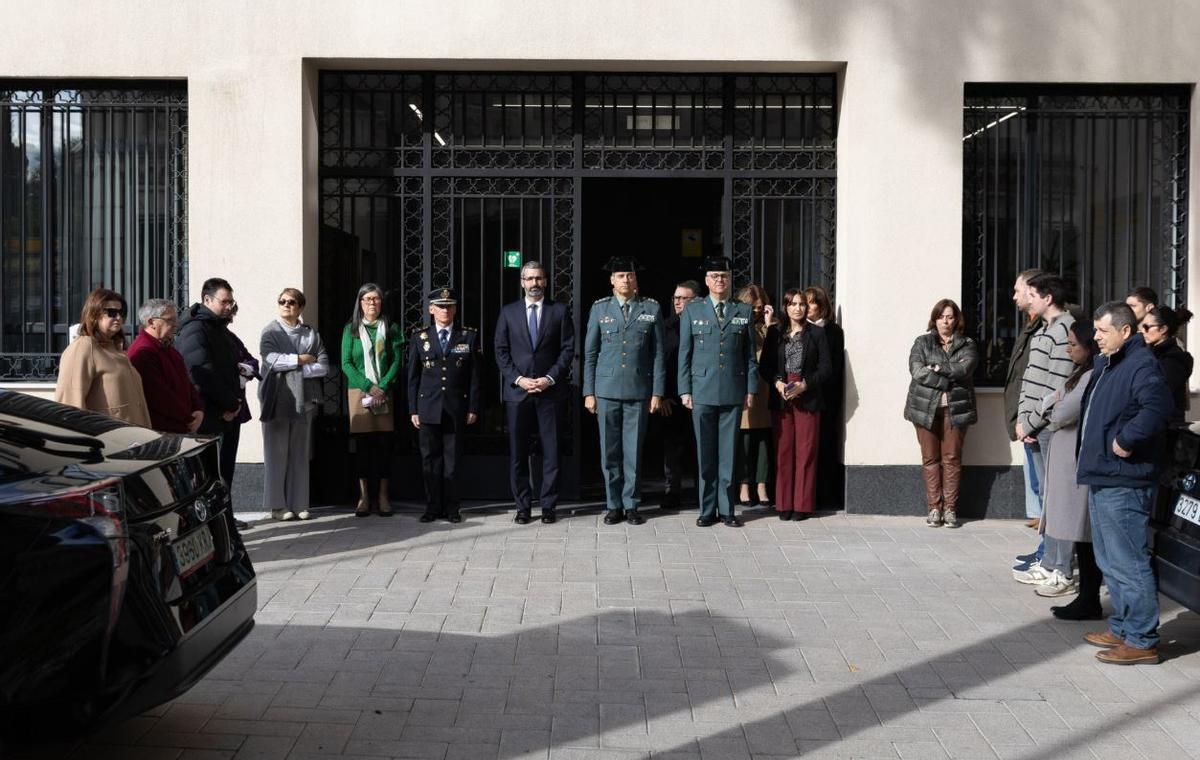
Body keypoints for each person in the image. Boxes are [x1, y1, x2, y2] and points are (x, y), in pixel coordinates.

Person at [1077, 301, 1174, 665]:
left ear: (1125, 331)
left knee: (1128, 559)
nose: (1095, 337)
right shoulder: (1109, 363)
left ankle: (1141, 638)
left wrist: (1126, 439)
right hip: (1103, 473)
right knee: (1108, 557)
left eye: (1102, 331)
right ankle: (1122, 626)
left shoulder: (1141, 365)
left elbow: (1156, 408)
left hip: (1124, 478)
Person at [582, 257, 666, 525]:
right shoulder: (599, 309)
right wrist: (588, 392)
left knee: (633, 451)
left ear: (635, 280)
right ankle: (613, 504)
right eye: (620, 276)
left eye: (629, 276)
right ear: (612, 280)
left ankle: (631, 504)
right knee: (610, 451)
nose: (626, 280)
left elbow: (659, 354)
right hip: (606, 389)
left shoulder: (651, 308)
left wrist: (657, 392)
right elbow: (590, 353)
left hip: (638, 389)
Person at [678, 256, 757, 528]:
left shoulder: (743, 310)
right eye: (714, 276)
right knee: (706, 453)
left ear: (729, 279)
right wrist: (684, 389)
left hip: (733, 390)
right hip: (701, 390)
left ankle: (727, 510)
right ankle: (706, 508)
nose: (719, 280)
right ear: (706, 280)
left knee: (728, 453)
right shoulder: (693, 310)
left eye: (723, 276)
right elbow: (684, 354)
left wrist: (751, 389)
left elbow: (749, 357)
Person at [494, 260, 576, 525]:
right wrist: (519, 379)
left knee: (551, 451)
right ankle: (523, 506)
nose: (535, 284)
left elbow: (567, 350)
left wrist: (549, 378)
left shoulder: (560, 311)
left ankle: (549, 505)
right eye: (529, 279)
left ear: (546, 281)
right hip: (518, 393)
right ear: (522, 282)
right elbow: (501, 351)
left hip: (550, 392)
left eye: (539, 278)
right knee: (518, 453)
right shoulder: (508, 312)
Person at [1036, 321, 1103, 616]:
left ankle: (1089, 598)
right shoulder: (1078, 374)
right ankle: (1087, 598)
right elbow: (1047, 403)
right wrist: (1055, 404)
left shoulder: (1091, 375)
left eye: (1073, 344)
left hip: (1077, 465)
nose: (1068, 349)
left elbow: (1060, 410)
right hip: (1067, 463)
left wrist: (1056, 405)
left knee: (1083, 532)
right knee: (1079, 534)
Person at [1012, 273, 1075, 579]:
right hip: (1034, 426)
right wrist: (1023, 420)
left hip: (1048, 427)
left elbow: (1056, 386)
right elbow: (1030, 381)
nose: (1027, 299)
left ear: (1048, 298)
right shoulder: (1045, 329)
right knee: (1046, 498)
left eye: (1032, 294)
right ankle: (1048, 558)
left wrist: (1032, 422)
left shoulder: (1065, 330)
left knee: (1055, 498)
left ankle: (1057, 564)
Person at [407, 288, 481, 524]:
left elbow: (476, 376)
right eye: (440, 306)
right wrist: (412, 409)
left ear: (455, 309)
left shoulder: (468, 336)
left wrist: (473, 407)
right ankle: (432, 506)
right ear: (431, 309)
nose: (445, 310)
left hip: (455, 407)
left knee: (452, 461)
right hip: (428, 407)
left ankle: (451, 508)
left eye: (449, 306)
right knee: (430, 460)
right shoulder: (420, 337)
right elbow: (413, 377)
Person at [903, 299, 979, 528]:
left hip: (955, 409)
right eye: (941, 316)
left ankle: (950, 509)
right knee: (930, 458)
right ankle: (934, 508)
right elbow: (916, 370)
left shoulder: (967, 344)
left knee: (952, 458)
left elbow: (965, 368)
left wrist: (937, 368)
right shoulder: (922, 342)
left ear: (956, 319)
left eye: (950, 316)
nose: (946, 321)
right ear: (934, 319)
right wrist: (945, 379)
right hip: (925, 408)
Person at [760, 289, 831, 519]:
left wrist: (805, 384)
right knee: (784, 452)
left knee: (805, 451)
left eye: (801, 304)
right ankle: (783, 504)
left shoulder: (817, 334)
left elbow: (826, 368)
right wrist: (778, 383)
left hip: (807, 397)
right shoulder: (775, 333)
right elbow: (765, 367)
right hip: (782, 399)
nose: (798, 308)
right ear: (786, 307)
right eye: (793, 304)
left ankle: (802, 505)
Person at [260, 288, 328, 522]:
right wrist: (301, 360)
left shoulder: (311, 335)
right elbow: (272, 361)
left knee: (300, 454)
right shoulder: (270, 331)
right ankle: (277, 506)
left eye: (292, 302)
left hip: (305, 402)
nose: (286, 305)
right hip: (277, 400)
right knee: (276, 454)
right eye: (282, 301)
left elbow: (324, 366)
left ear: (300, 307)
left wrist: (293, 367)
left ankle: (299, 504)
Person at [341, 283, 405, 517]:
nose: (371, 303)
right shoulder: (351, 329)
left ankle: (383, 496)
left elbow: (397, 361)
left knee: (384, 447)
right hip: (359, 392)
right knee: (363, 449)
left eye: (376, 299)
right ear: (360, 303)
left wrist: (382, 387)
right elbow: (346, 363)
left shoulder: (392, 328)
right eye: (367, 299)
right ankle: (364, 497)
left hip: (385, 391)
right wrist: (369, 387)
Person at [175, 278, 243, 485]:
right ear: (207, 299)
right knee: (211, 478)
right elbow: (201, 374)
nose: (229, 307)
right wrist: (229, 404)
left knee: (224, 475)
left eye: (231, 302)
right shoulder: (195, 329)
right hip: (212, 416)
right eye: (224, 302)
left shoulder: (218, 328)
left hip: (227, 414)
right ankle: (214, 519)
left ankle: (226, 518)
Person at [55, 287, 151, 427]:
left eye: (121, 313)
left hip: (132, 438)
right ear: (94, 314)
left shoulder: (117, 349)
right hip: (107, 440)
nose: (118, 317)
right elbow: (70, 402)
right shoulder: (83, 348)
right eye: (111, 313)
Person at [1004, 270, 1045, 558]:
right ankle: (1045, 545)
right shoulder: (1031, 324)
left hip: (1038, 420)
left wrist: (1030, 419)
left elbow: (1044, 379)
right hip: (1027, 417)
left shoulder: (1050, 328)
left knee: (1046, 486)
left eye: (1018, 290)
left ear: (1034, 293)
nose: (1014, 296)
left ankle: (1049, 552)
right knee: (1036, 482)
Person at [128, 298, 204, 434]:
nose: (176, 324)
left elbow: (187, 383)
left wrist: (198, 409)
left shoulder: (169, 349)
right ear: (152, 322)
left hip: (180, 426)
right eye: (170, 320)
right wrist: (188, 418)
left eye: (176, 319)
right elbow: (159, 396)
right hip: (162, 431)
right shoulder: (143, 352)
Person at [658, 279, 699, 511]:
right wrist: (661, 396)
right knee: (671, 449)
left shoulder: (704, 325)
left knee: (697, 446)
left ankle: (700, 491)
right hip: (671, 400)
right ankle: (671, 491)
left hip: (699, 397)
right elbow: (657, 363)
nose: (679, 302)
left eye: (684, 298)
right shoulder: (665, 327)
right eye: (676, 298)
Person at [804, 285, 845, 508]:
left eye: (811, 302)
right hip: (804, 397)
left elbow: (834, 366)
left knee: (825, 446)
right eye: (804, 302)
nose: (806, 307)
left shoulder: (833, 331)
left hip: (826, 398)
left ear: (821, 306)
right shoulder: (799, 329)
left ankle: (824, 495)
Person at [735, 284, 775, 508]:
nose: (758, 312)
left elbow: (775, 354)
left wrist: (769, 326)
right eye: (754, 308)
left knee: (763, 439)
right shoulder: (738, 324)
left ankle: (762, 485)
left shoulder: (771, 327)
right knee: (745, 439)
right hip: (744, 386)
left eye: (761, 307)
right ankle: (744, 484)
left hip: (766, 387)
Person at [1140, 305, 1194, 424]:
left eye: (1146, 327)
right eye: (1142, 327)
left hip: (1165, 428)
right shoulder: (1149, 352)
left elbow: (1155, 393)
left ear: (1163, 329)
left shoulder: (1174, 360)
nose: (1142, 331)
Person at [226, 301, 260, 487]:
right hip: (219, 410)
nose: (231, 318)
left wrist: (243, 369)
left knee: (228, 466)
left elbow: (252, 361)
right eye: (229, 313)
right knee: (220, 466)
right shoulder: (204, 335)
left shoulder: (231, 338)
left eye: (232, 314)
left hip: (236, 406)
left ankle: (227, 514)